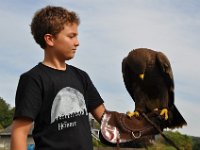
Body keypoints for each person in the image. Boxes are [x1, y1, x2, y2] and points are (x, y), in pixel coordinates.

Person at [11, 5, 105, 150]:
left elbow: (106, 120)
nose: (77, 42)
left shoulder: (81, 76)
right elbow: (20, 133)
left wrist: (141, 119)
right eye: (71, 36)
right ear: (50, 39)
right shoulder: (33, 79)